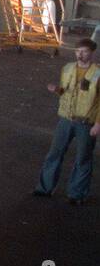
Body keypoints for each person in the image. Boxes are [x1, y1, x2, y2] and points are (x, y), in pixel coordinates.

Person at [32, 37, 100, 205]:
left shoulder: (98, 73)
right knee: (54, 153)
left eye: (84, 51)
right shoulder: (68, 68)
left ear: (92, 53)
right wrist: (57, 90)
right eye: (78, 51)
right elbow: (66, 91)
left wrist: (98, 124)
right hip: (66, 119)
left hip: (86, 122)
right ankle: (44, 188)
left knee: (83, 158)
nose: (80, 55)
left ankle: (77, 194)